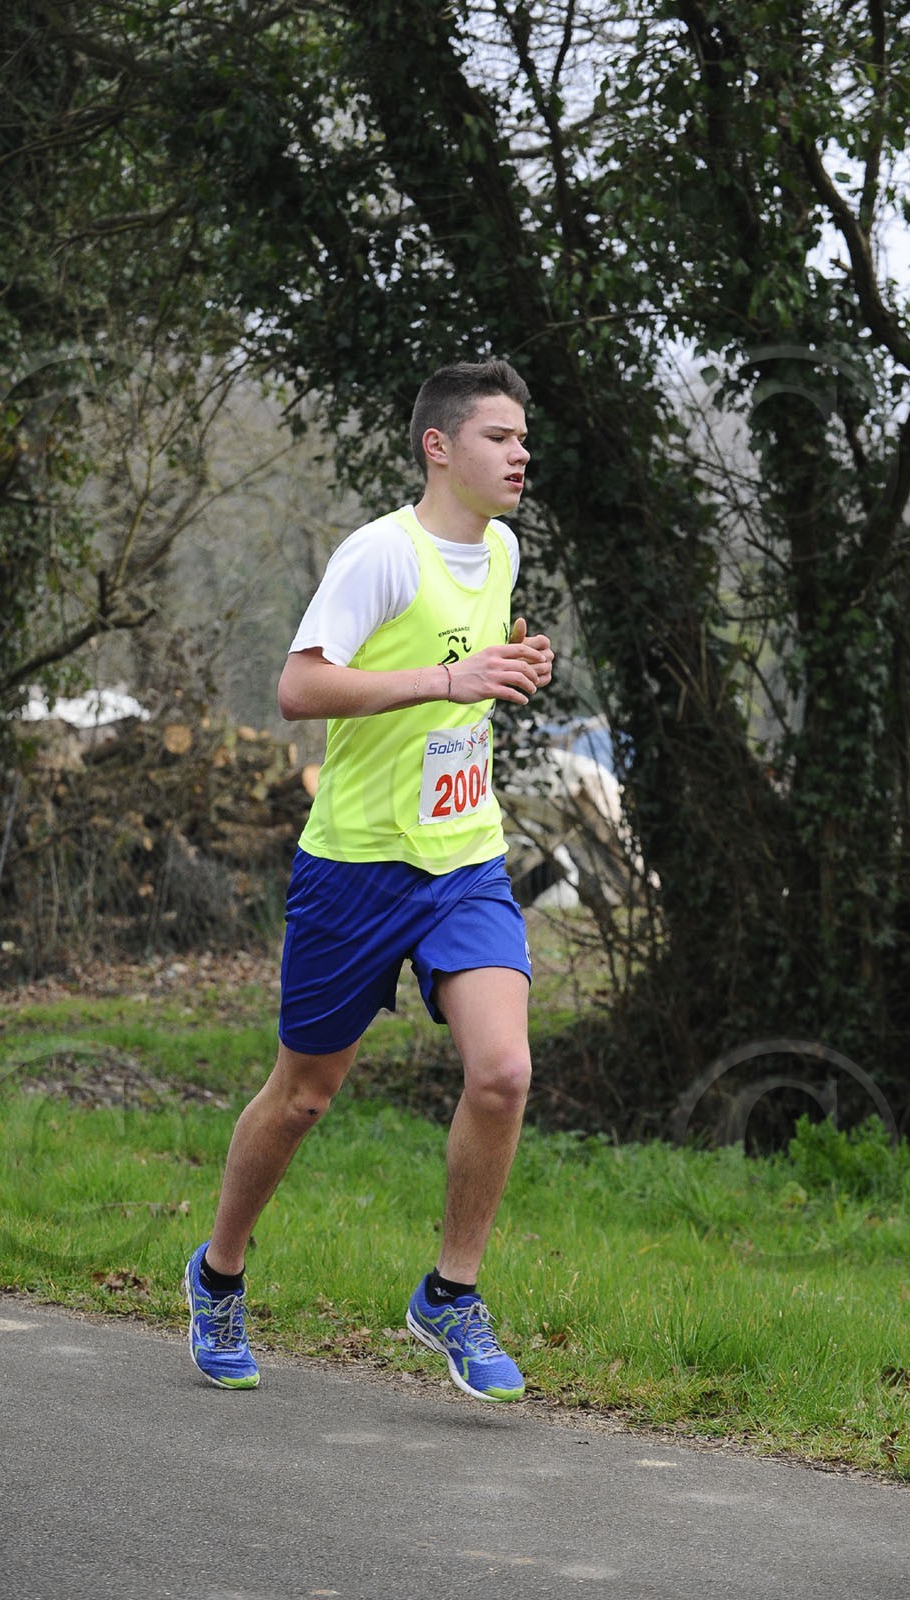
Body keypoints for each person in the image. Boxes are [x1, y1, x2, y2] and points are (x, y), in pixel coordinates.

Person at [184, 358, 554, 1402]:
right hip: (354, 868)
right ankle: (218, 1274)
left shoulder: (503, 551)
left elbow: (468, 675)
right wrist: (449, 678)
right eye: (498, 437)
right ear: (439, 446)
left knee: (503, 1072)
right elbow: (299, 687)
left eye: (523, 438)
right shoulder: (380, 554)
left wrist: (508, 669)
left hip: (463, 858)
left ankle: (450, 1293)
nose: (520, 454)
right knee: (303, 1096)